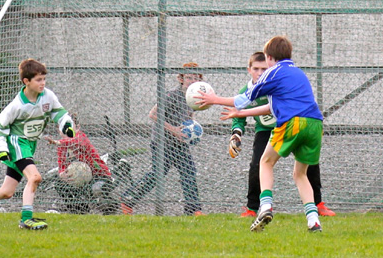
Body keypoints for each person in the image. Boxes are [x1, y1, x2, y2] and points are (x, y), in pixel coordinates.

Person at [196, 52, 335, 218]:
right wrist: (236, 134)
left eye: (263, 68)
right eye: (256, 69)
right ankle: (252, 208)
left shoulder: (273, 81)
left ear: (269, 65)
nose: (260, 72)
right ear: (249, 70)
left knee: (308, 164)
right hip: (265, 129)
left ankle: (318, 204)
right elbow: (239, 110)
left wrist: (216, 100)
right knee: (257, 165)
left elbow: (263, 107)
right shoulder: (248, 90)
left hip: (287, 124)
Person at [0, 58, 75, 230]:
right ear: (27, 81)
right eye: (39, 79)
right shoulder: (16, 106)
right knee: (35, 177)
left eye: (44, 79)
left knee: (6, 192)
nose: (43, 83)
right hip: (17, 145)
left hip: (29, 146)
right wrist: (1, 150)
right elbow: (0, 127)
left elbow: (59, 113)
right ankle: (26, 219)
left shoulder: (47, 96)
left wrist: (66, 125)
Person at [219, 36, 324, 232]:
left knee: (265, 162)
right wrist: (241, 114)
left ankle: (265, 207)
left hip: (294, 123)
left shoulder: (273, 72)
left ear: (269, 57)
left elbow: (243, 99)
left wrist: (213, 99)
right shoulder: (298, 73)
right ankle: (313, 221)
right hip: (316, 124)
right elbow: (270, 106)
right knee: (300, 173)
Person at [120, 62, 205, 216]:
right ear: (180, 79)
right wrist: (174, 131)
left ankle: (193, 210)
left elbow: (189, 115)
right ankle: (127, 201)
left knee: (189, 172)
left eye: (196, 78)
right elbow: (153, 114)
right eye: (188, 77)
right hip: (162, 143)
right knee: (156, 174)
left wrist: (189, 130)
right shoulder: (171, 95)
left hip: (179, 144)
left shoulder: (194, 97)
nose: (192, 81)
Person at [44, 113, 128, 215]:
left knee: (96, 189)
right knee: (60, 184)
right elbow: (61, 163)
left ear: (77, 127)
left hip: (98, 175)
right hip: (79, 179)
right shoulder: (62, 146)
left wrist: (58, 142)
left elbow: (75, 142)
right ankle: (79, 210)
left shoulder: (81, 137)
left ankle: (111, 206)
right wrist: (62, 173)